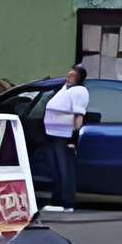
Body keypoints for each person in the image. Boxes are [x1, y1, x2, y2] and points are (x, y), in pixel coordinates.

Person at [41, 64, 90, 212]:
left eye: (72, 76)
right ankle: (57, 200)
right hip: (53, 134)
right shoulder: (65, 88)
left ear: (79, 79)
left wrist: (72, 139)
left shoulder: (79, 91)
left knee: (65, 169)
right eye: (68, 75)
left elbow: (78, 118)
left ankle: (66, 202)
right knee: (56, 169)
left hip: (64, 136)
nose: (68, 78)